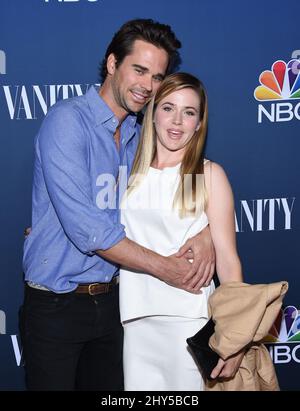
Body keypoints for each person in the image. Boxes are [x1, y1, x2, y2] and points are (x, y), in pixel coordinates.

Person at [20, 19, 215, 391]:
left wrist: (205, 230)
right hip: (57, 306)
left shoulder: (139, 136)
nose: (147, 86)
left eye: (157, 77)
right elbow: (89, 231)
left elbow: (178, 187)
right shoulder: (68, 121)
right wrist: (167, 269)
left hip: (114, 307)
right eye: (138, 70)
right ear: (112, 64)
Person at [119, 72, 245, 391]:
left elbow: (229, 263)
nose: (177, 121)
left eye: (189, 112)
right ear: (151, 112)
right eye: (168, 108)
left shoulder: (207, 175)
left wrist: (234, 337)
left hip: (189, 323)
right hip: (135, 321)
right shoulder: (127, 170)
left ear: (199, 123)